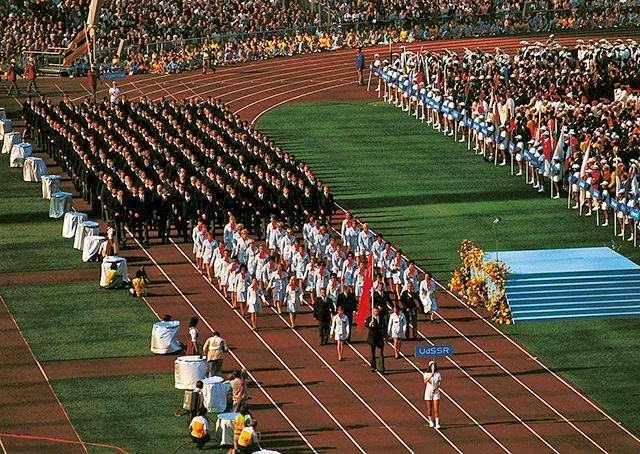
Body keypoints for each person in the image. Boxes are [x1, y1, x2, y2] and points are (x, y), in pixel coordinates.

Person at [365, 307, 385, 373]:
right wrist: (370, 324)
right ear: (372, 312)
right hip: (372, 337)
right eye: (375, 311)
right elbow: (366, 325)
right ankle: (373, 367)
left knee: (381, 353)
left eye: (377, 311)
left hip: (380, 337)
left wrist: (385, 336)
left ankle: (382, 368)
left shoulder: (381, 318)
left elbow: (384, 327)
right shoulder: (369, 319)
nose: (376, 313)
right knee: (372, 353)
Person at [423, 360, 442, 429]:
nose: (433, 367)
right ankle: (431, 421)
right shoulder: (426, 374)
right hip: (428, 392)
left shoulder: (438, 374)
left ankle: (437, 423)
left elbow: (439, 383)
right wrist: (431, 376)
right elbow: (425, 381)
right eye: (432, 366)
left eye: (434, 365)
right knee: (429, 408)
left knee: (436, 408)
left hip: (436, 392)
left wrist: (436, 388)